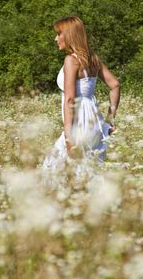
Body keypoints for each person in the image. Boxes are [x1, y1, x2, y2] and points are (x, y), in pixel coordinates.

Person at [42, 16, 120, 178]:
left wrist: (69, 137)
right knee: (88, 169)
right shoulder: (93, 59)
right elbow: (115, 85)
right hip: (94, 121)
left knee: (55, 171)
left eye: (58, 34)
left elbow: (70, 99)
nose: (55, 38)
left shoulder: (71, 60)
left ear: (69, 35)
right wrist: (110, 120)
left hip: (79, 123)